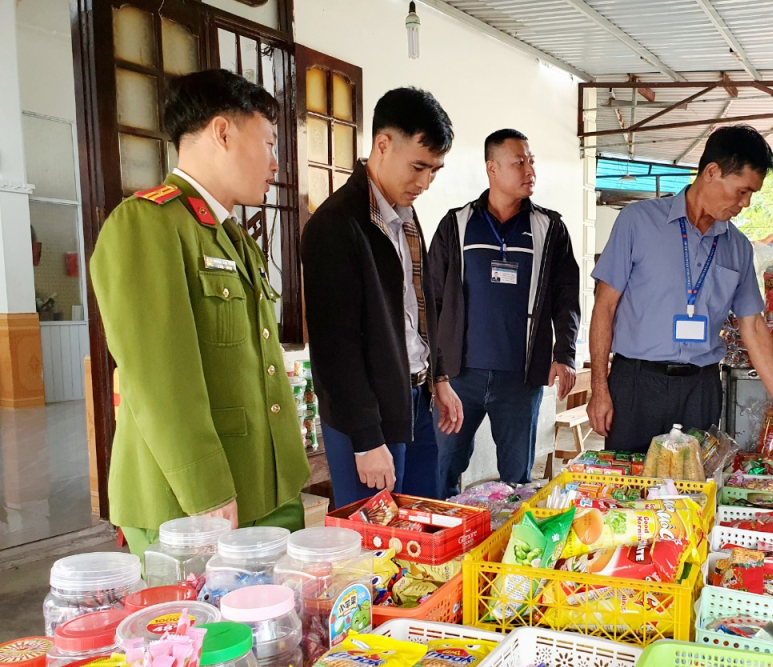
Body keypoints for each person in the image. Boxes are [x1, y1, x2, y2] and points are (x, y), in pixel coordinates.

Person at [90, 69, 310, 558]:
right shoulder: (147, 224)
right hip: (191, 505)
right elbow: (159, 379)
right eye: (268, 143)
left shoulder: (231, 236)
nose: (275, 162)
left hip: (263, 485)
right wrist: (207, 490)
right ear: (223, 132)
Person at [587, 125, 773, 454]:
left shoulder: (738, 247)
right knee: (627, 480)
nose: (746, 203)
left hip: (701, 390)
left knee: (695, 483)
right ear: (711, 172)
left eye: (752, 194)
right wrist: (599, 388)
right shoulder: (637, 221)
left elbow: (753, 326)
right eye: (742, 191)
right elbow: (605, 307)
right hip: (636, 385)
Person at [302, 87, 458, 506]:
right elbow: (335, 347)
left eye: (435, 171)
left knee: (422, 524)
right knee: (373, 535)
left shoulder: (405, 217)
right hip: (367, 414)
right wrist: (366, 439)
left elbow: (420, 308)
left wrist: (439, 378)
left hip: (415, 399)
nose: (425, 183)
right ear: (383, 145)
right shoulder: (336, 225)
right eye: (418, 167)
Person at [426, 129, 580, 498]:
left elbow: (566, 297)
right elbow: (431, 299)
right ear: (492, 168)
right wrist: (436, 371)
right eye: (519, 162)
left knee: (517, 481)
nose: (530, 170)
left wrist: (565, 355)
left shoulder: (549, 228)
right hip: (459, 378)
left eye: (531, 161)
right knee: (441, 470)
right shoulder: (457, 224)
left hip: (520, 380)